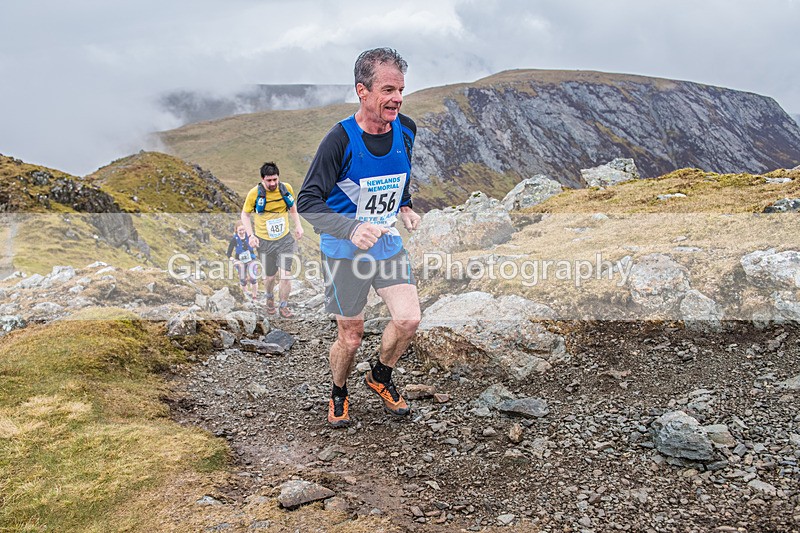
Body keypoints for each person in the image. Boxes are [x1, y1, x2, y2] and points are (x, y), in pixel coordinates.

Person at [297, 47, 422, 428]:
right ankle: (338, 391)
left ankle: (379, 377)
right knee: (350, 338)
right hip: (342, 251)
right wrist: (352, 227)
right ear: (362, 91)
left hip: (385, 245)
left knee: (408, 319)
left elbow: (397, 175)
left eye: (400, 89)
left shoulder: (407, 128)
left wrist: (405, 205)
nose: (396, 98)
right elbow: (307, 202)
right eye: (387, 90)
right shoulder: (339, 140)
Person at [241, 161, 304, 318]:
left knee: (285, 275)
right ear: (263, 179)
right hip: (264, 241)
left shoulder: (285, 189)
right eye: (269, 180)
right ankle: (269, 297)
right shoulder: (254, 193)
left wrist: (298, 225)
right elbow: (245, 215)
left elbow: (292, 207)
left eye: (275, 179)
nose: (273, 183)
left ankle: (283, 305)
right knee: (270, 277)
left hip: (284, 240)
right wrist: (251, 235)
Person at [226, 221, 259, 300]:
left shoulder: (250, 236)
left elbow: (257, 245)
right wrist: (233, 260)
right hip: (240, 261)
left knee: (253, 278)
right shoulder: (234, 239)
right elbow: (228, 253)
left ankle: (254, 296)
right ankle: (246, 296)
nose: (242, 232)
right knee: (243, 280)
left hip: (251, 258)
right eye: (240, 230)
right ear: (236, 230)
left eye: (243, 230)